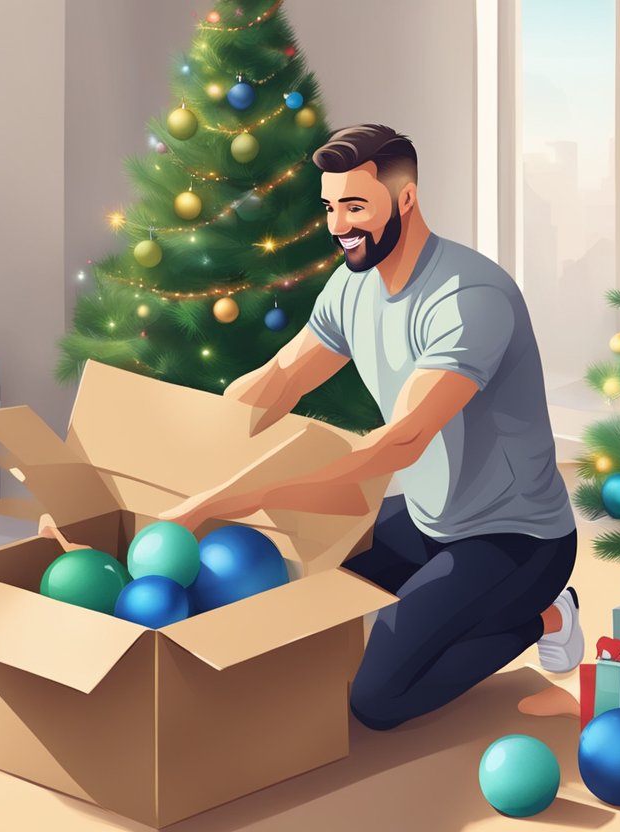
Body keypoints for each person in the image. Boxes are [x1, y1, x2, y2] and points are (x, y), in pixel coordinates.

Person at [160, 124, 583, 731]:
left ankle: (545, 615)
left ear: (405, 198)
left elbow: (402, 440)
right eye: (331, 207)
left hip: (517, 539)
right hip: (425, 515)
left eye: (356, 206)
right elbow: (280, 377)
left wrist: (242, 497)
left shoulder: (467, 296)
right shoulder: (352, 283)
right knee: (297, 595)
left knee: (375, 700)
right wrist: (182, 460)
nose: (339, 226)